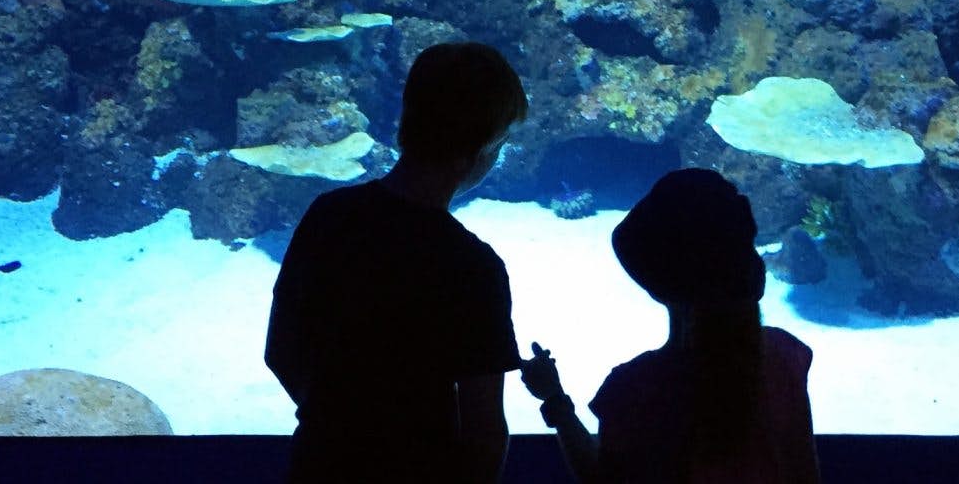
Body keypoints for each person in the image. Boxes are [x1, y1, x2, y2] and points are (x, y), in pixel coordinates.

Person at [265, 41, 529, 483]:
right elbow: (485, 430)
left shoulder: (329, 216)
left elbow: (280, 352)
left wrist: (336, 425)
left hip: (319, 463)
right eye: (500, 143)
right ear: (482, 146)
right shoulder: (473, 267)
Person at [520, 168, 823, 484]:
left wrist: (554, 399)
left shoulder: (635, 387)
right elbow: (805, 470)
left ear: (655, 285)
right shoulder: (785, 358)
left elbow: (600, 476)